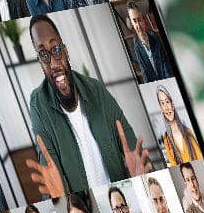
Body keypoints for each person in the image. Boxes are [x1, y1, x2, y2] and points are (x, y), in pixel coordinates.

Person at [20, 15, 150, 202]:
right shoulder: (38, 105)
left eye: (56, 49)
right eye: (43, 54)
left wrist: (140, 178)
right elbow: (51, 178)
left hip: (120, 195)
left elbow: (134, 153)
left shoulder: (96, 89)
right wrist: (57, 196)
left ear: (66, 52)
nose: (54, 63)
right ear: (40, 62)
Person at [124, 1, 174, 85]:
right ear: (131, 23)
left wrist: (169, 82)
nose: (138, 25)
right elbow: (144, 72)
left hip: (167, 79)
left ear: (143, 19)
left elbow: (165, 63)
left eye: (139, 20)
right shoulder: (136, 46)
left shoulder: (155, 37)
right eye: (134, 21)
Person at [152, 84, 201, 166]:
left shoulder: (187, 131)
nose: (166, 107)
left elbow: (199, 156)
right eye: (162, 103)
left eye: (167, 102)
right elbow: (172, 163)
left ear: (173, 105)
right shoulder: (166, 139)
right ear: (161, 108)